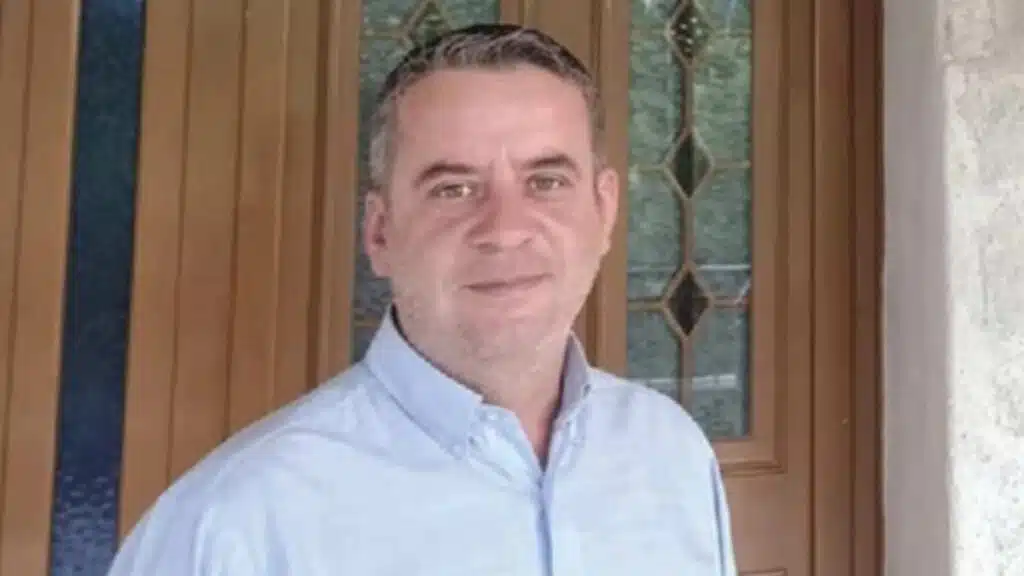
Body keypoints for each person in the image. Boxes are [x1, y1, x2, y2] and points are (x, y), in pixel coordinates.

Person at [107, 23, 737, 575]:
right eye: (453, 189)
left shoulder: (672, 454)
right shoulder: (234, 523)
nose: (505, 229)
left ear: (604, 211)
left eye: (546, 181)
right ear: (380, 233)